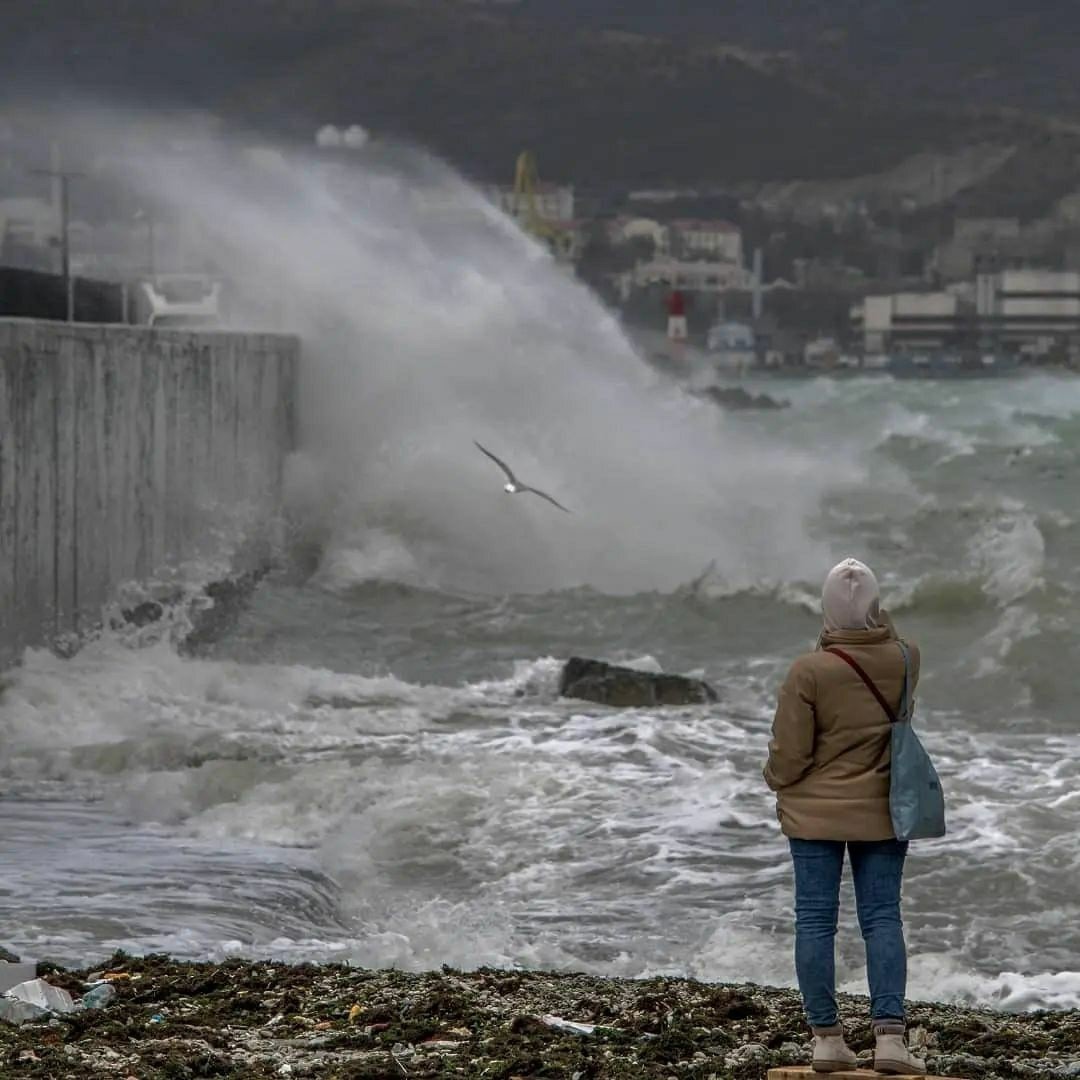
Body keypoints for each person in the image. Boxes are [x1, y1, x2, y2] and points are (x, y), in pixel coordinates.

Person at [764, 558, 927, 1076]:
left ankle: (827, 1039)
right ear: (877, 605)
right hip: (883, 808)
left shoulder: (809, 670)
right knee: (882, 916)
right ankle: (891, 1040)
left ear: (826, 609)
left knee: (815, 919)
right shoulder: (905, 657)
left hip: (814, 813)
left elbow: (790, 755)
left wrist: (775, 779)